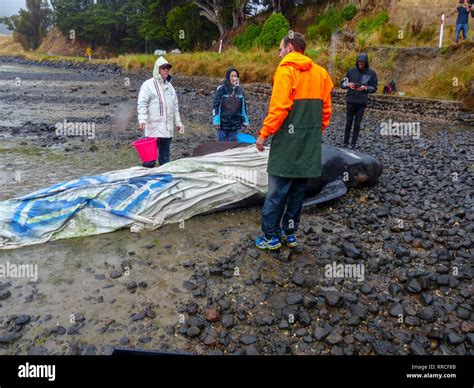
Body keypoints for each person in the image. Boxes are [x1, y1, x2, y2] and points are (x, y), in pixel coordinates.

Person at [255, 32, 333, 251]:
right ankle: (290, 234)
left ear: (289, 48)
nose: (279, 54)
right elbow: (326, 111)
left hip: (287, 145)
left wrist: (263, 134)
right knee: (297, 193)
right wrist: (313, 133)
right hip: (308, 145)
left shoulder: (286, 71)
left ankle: (271, 236)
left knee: (276, 193)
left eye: (280, 49)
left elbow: (280, 108)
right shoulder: (321, 74)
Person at [137, 56, 183, 167]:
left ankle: (164, 182)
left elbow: (175, 107)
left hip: (167, 130)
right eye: (163, 68)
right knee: (149, 162)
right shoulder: (148, 85)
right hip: (153, 129)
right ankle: (147, 181)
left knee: (165, 160)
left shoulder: (170, 87)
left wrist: (178, 123)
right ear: (157, 69)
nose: (166, 70)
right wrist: (142, 120)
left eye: (167, 68)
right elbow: (142, 103)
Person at [340, 53, 378, 148]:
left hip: (361, 103)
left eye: (363, 63)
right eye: (359, 62)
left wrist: (365, 88)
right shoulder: (351, 71)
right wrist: (348, 85)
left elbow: (374, 88)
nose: (361, 64)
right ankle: (345, 142)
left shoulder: (371, 73)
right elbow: (342, 84)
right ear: (357, 62)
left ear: (366, 63)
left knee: (357, 124)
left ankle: (353, 144)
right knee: (348, 122)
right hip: (350, 100)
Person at [212, 67, 250, 142]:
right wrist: (216, 121)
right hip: (222, 124)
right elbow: (216, 105)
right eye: (232, 76)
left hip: (235, 124)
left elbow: (243, 107)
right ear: (228, 77)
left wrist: (245, 121)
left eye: (235, 76)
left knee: (232, 146)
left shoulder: (240, 91)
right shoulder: (221, 89)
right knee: (222, 146)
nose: (234, 78)